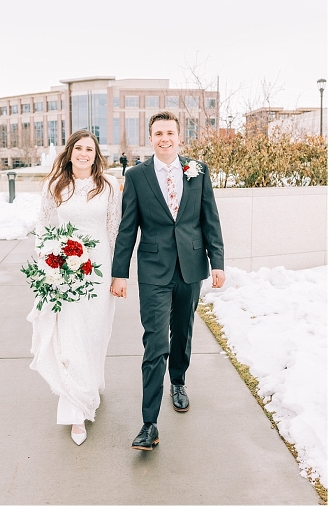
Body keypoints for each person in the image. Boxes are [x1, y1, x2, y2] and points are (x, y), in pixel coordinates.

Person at [110, 111, 225, 451]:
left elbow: (210, 220)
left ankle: (178, 381)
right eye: (158, 133)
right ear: (151, 137)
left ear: (179, 136)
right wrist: (120, 273)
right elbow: (127, 228)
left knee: (183, 330)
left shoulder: (198, 171)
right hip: (153, 270)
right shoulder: (136, 175)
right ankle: (149, 424)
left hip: (190, 266)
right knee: (155, 342)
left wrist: (217, 262)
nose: (164, 138)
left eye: (170, 132)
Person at [28, 129, 121, 446]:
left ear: (96, 156)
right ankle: (75, 410)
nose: (84, 154)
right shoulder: (55, 186)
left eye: (90, 150)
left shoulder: (107, 186)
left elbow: (114, 231)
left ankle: (90, 383)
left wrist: (119, 274)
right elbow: (43, 227)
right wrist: (48, 261)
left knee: (94, 332)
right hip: (64, 272)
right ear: (69, 152)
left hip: (98, 271)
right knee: (70, 337)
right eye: (79, 148)